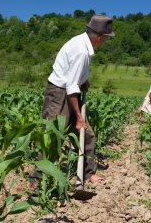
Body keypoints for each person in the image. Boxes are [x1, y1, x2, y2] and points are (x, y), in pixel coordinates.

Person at [41, 14, 114, 184]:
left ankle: (87, 172)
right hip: (59, 94)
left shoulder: (83, 43)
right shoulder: (81, 50)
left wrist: (83, 80)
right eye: (106, 38)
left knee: (87, 134)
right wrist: (79, 117)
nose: (105, 41)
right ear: (100, 37)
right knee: (51, 136)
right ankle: (39, 178)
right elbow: (71, 86)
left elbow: (74, 75)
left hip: (70, 91)